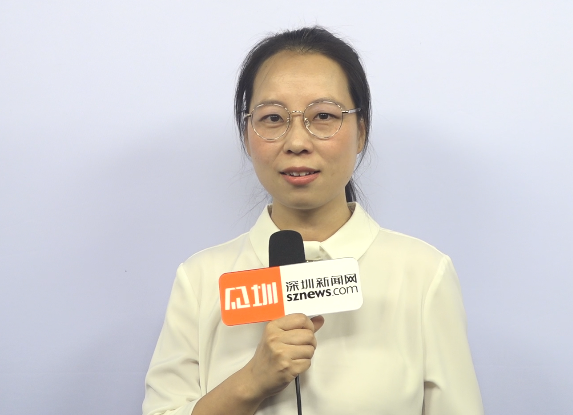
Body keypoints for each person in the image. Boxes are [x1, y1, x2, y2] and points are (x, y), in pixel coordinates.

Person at [142, 26, 484, 415]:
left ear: (361, 132)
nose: (297, 142)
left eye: (323, 116)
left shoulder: (423, 275)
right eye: (273, 118)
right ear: (247, 134)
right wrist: (251, 381)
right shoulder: (201, 279)